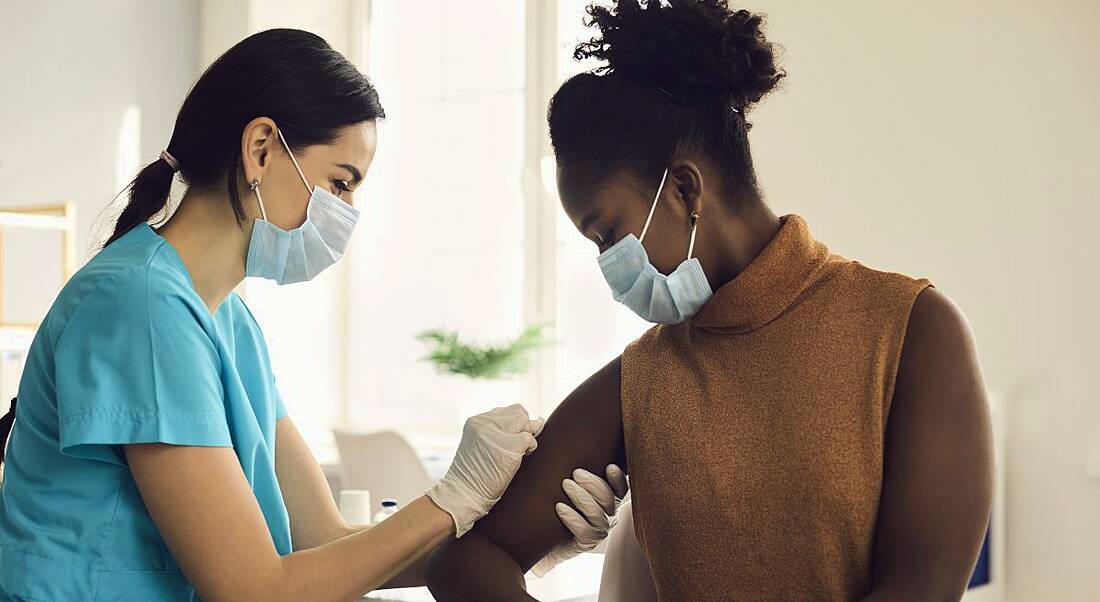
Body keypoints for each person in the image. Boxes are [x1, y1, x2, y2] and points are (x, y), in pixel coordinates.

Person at [0, 29, 627, 601]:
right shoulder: (139, 305)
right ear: (262, 149)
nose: (349, 212)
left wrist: (523, 542)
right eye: (341, 182)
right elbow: (253, 589)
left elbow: (320, 540)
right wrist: (452, 498)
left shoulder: (227, 323)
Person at [424, 1, 994, 600]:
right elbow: (467, 559)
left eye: (609, 235)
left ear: (683, 188)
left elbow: (921, 588)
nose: (607, 267)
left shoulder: (911, 331)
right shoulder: (645, 377)